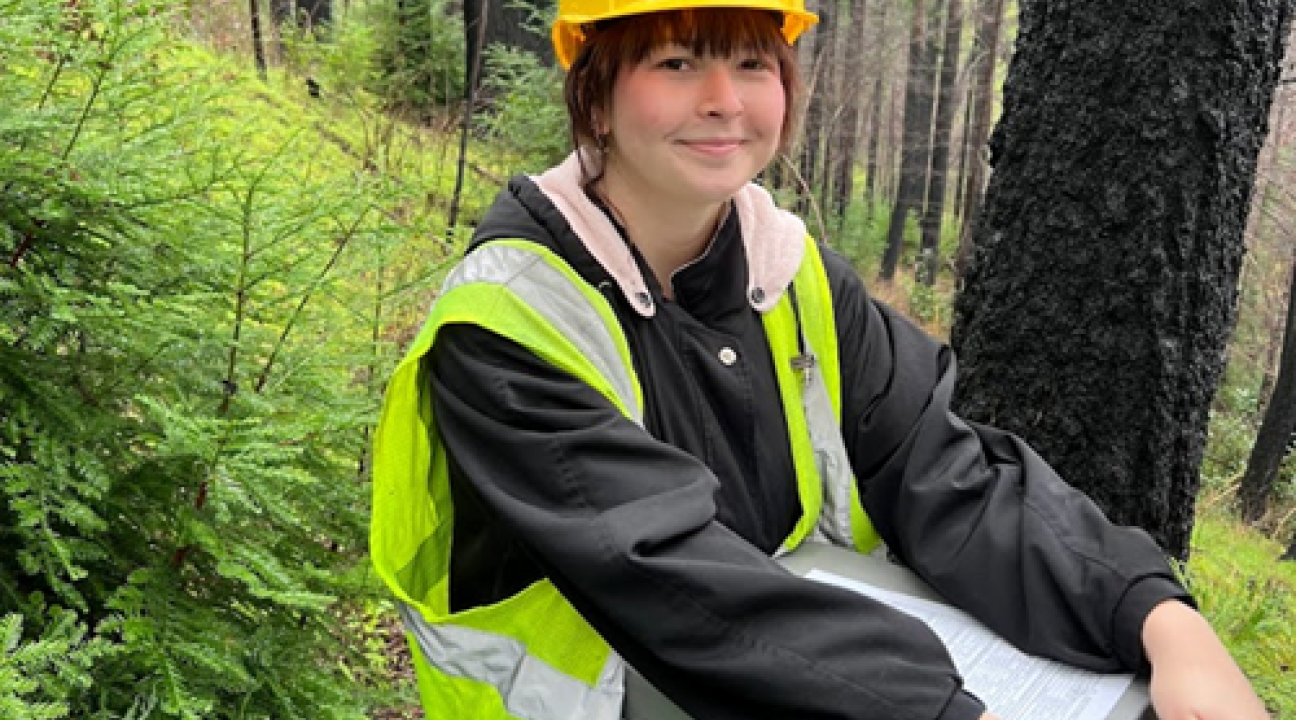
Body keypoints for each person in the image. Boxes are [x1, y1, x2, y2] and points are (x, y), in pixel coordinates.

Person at [369, 0, 1271, 718]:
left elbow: (945, 470)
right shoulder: (507, 327)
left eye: (753, 62)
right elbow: (669, 579)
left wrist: (1157, 615)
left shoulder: (788, 273)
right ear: (596, 89)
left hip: (796, 659)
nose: (724, 98)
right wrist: (941, 709)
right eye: (677, 61)